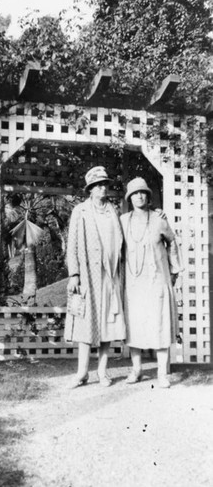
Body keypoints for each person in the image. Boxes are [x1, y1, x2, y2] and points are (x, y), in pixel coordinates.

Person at [64, 166, 126, 388]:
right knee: (85, 322)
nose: (102, 188)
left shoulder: (113, 211)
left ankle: (102, 371)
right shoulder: (80, 211)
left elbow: (123, 236)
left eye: (104, 184)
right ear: (90, 189)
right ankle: (82, 373)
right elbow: (72, 246)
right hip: (88, 275)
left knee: (107, 323)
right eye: (98, 185)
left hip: (109, 275)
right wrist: (74, 274)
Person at [120, 177, 182, 388]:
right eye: (135, 193)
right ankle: (136, 370)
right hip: (134, 281)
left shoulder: (158, 219)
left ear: (148, 197)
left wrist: (174, 270)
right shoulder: (122, 221)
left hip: (157, 280)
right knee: (135, 324)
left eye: (143, 193)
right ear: (129, 198)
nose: (139, 196)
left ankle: (162, 372)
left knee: (159, 323)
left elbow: (172, 243)